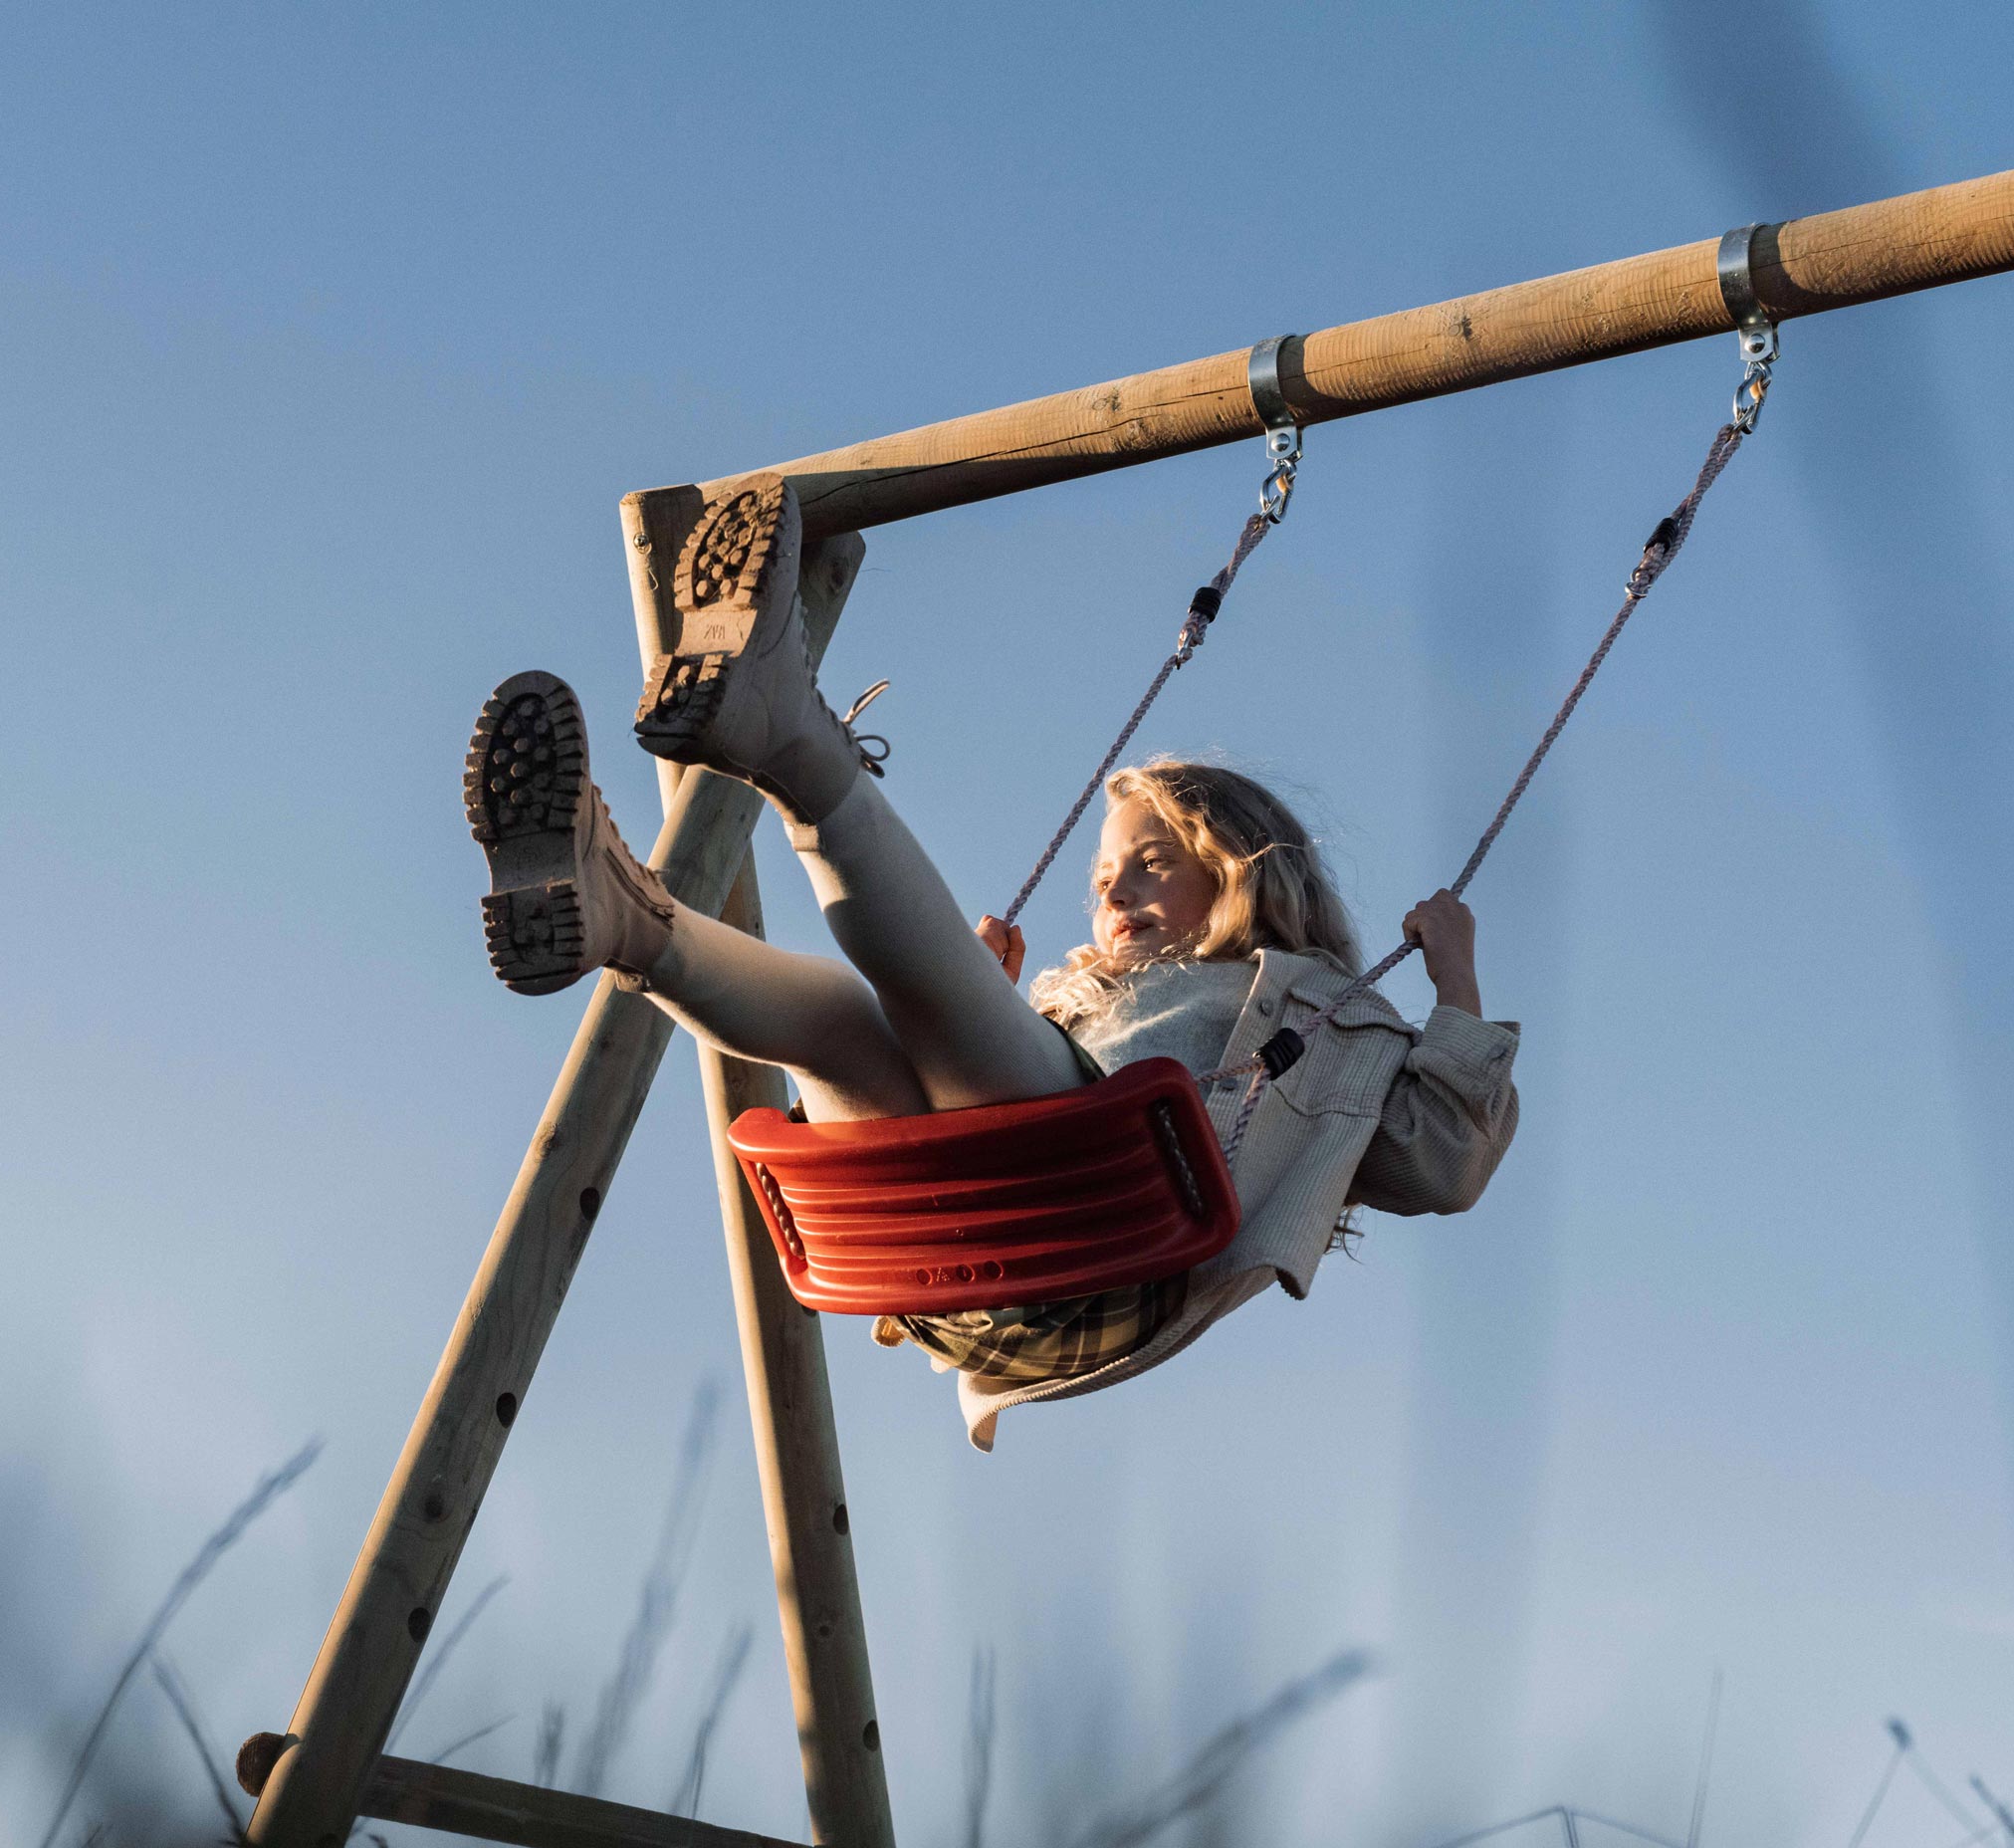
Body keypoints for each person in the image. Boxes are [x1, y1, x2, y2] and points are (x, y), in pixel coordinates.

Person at [463, 476, 1521, 1449]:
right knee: (840, 1019)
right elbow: (977, 1056)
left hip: (1103, 1247)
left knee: (929, 996)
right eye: (1106, 873)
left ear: (1239, 873)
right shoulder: (1070, 1002)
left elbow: (1442, 1166)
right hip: (949, 1275)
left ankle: (784, 739)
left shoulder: (1321, 1016)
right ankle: (624, 924)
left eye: (1150, 865)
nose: (1111, 890)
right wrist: (984, 1012)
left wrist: (1454, 988)